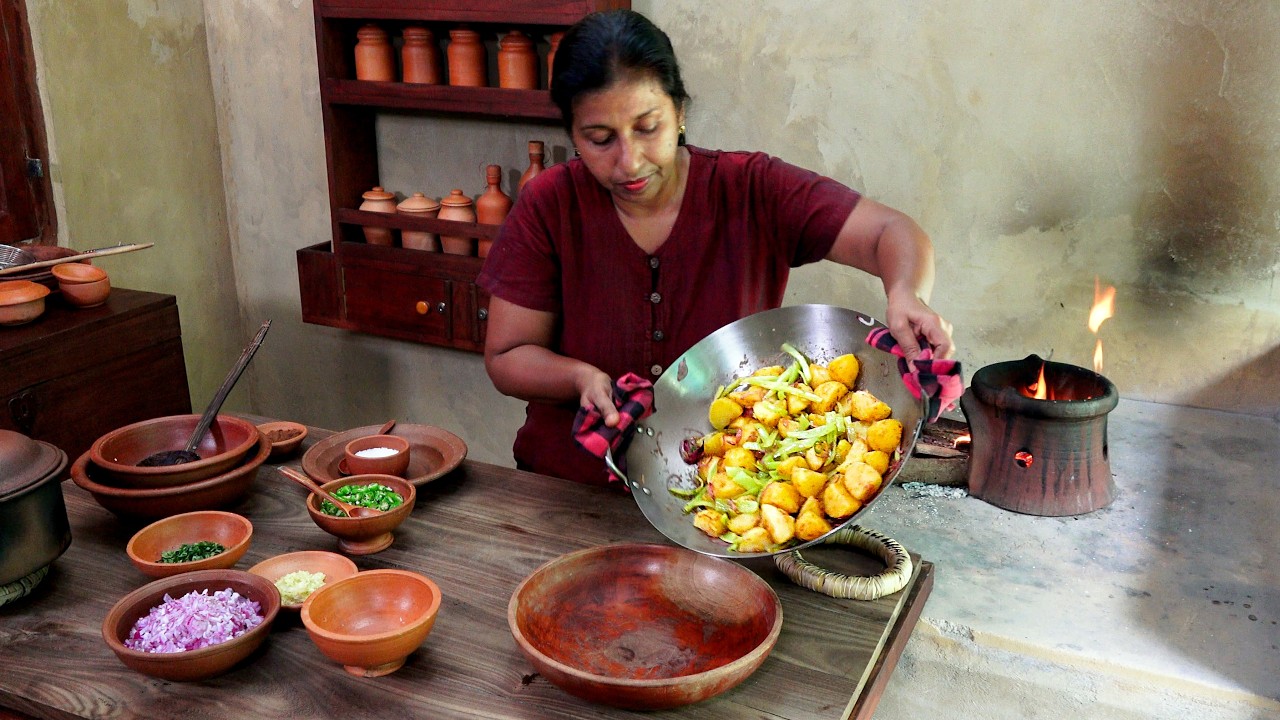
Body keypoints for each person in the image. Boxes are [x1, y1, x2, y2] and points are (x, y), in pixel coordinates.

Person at [477, 9, 955, 486]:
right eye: (600, 139)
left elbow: (890, 231)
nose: (630, 161)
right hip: (565, 488)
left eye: (648, 128)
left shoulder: (750, 189)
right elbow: (508, 355)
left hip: (722, 486)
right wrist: (580, 378)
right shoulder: (551, 204)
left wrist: (906, 293)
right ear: (573, 133)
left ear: (680, 112)